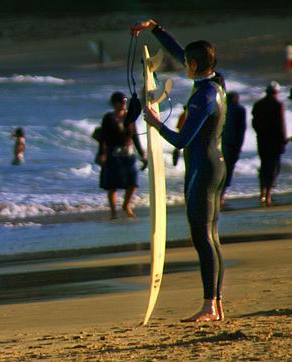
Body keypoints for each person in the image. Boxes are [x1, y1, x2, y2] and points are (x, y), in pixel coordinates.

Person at [132, 19, 226, 322]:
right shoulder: (216, 83)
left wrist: (154, 122)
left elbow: (182, 140)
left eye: (186, 62)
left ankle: (210, 306)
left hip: (202, 168)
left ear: (195, 64)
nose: (182, 63)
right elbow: (180, 52)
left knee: (202, 236)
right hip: (215, 165)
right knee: (210, 235)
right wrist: (155, 28)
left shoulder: (203, 97)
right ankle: (216, 303)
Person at [95, 91, 146, 219]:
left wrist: (142, 153)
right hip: (113, 154)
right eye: (121, 101)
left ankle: (126, 205)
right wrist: (101, 153)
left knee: (133, 183)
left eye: (125, 101)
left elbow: (135, 136)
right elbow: (103, 138)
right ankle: (113, 212)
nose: (124, 104)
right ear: (114, 103)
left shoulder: (129, 117)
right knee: (112, 185)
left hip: (129, 153)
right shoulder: (109, 118)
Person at [252, 81, 287, 207]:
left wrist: (260, 134)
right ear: (276, 92)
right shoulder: (278, 105)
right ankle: (268, 196)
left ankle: (262, 194)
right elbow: (281, 125)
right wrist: (283, 140)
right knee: (273, 168)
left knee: (264, 166)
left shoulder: (258, 104)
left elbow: (254, 122)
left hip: (262, 141)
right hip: (275, 142)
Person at [221, 92, 246, 206]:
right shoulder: (240, 109)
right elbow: (241, 130)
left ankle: (218, 196)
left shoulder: (224, 108)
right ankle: (221, 197)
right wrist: (239, 146)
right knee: (228, 170)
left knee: (221, 170)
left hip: (223, 143)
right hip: (233, 144)